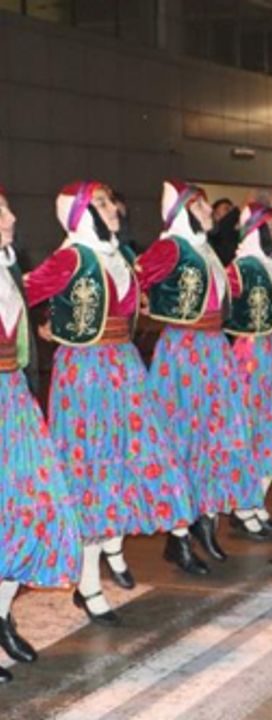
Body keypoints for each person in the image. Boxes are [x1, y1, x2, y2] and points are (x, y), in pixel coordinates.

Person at [25, 181, 197, 626]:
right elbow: (25, 289)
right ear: (80, 213)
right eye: (99, 204)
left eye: (109, 202)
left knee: (124, 466)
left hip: (123, 367)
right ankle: (88, 583)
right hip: (86, 374)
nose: (111, 209)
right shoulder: (71, 257)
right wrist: (44, 322)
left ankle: (112, 554)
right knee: (92, 474)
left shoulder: (118, 254)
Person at [136, 180, 261, 572]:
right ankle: (179, 537)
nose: (210, 212)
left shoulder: (204, 249)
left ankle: (204, 521)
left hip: (212, 350)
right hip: (185, 353)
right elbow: (133, 276)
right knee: (184, 439)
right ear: (184, 211)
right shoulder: (172, 248)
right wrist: (144, 302)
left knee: (213, 438)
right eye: (202, 206)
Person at [0, 186, 81, 681]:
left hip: (13, 398)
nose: (10, 218)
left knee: (33, 508)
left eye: (7, 208)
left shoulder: (8, 269)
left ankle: (1, 612)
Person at [224, 203, 272, 538]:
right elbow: (219, 304)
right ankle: (245, 505)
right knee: (256, 431)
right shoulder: (241, 268)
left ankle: (256, 501)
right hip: (254, 355)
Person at [209, 198, 239, 266]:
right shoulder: (215, 233)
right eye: (227, 209)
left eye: (231, 209)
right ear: (215, 215)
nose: (231, 211)